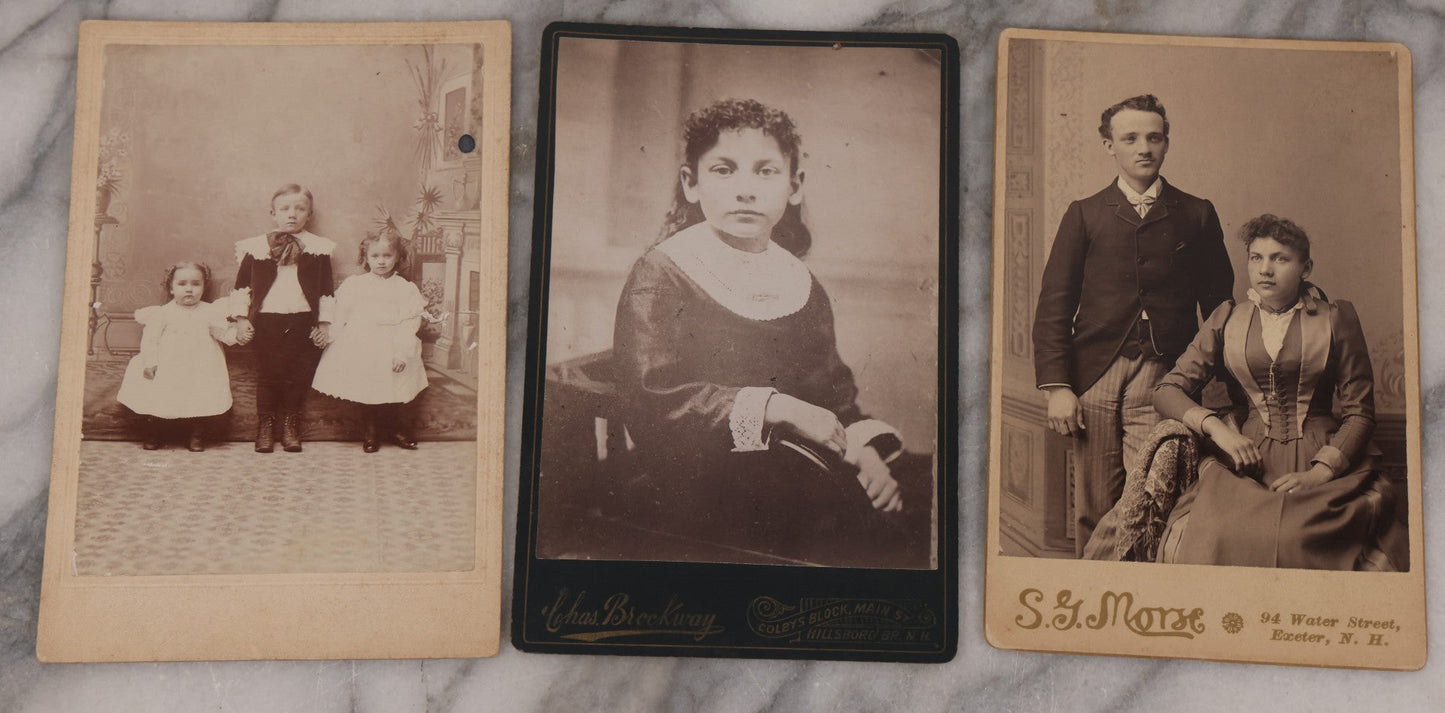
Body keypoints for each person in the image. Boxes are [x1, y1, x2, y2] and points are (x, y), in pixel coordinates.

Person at [610, 98, 929, 568]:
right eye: (724, 170)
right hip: (696, 483)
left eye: (766, 172)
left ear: (794, 186)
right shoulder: (664, 272)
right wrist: (776, 407)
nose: (746, 190)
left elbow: (834, 397)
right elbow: (655, 398)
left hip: (792, 470)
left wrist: (864, 455)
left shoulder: (799, 283)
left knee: (922, 494)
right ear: (690, 184)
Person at [1032, 94, 1233, 555]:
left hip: (1166, 376)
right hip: (1094, 374)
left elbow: (1220, 310)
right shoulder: (1084, 213)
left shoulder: (1196, 213)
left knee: (1147, 498)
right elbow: (1054, 306)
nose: (1144, 148)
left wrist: (1219, 384)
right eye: (1130, 138)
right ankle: (1093, 597)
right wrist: (1057, 386)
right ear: (1109, 146)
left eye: (1154, 137)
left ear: (1166, 143)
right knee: (1094, 501)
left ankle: (1138, 591)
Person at [1151, 214, 1402, 570]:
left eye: (1280, 258)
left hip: (1323, 455)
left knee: (1295, 538)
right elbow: (1167, 390)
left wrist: (1319, 474)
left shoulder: (1335, 319)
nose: (1265, 269)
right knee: (1219, 533)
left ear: (1305, 267)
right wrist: (1218, 430)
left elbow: (1360, 413)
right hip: (1246, 459)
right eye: (1257, 257)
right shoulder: (1227, 319)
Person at [231, 184, 335, 453]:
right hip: (267, 320)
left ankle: (290, 425)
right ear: (273, 213)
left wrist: (323, 324)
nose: (292, 214)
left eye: (300, 209)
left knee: (297, 376)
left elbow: (326, 290)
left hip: (303, 320)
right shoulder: (255, 248)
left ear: (309, 215)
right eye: (285, 208)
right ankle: (265, 426)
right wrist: (242, 319)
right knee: (268, 375)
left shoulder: (318, 249)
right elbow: (242, 287)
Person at [311, 232, 430, 452]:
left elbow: (409, 322)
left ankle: (396, 430)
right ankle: (371, 432)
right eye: (375, 256)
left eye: (387, 255)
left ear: (398, 258)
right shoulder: (355, 285)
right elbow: (340, 315)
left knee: (395, 388)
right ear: (365, 258)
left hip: (393, 342)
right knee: (366, 389)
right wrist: (328, 336)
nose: (381, 261)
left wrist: (402, 352)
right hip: (362, 342)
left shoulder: (404, 288)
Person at [116, 262, 237, 451]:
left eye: (196, 284)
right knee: (160, 396)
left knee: (199, 397)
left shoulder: (209, 312)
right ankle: (154, 432)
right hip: (169, 365)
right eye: (182, 284)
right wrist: (150, 362)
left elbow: (221, 333)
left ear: (204, 287)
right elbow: (150, 340)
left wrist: (236, 335)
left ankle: (196, 435)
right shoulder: (163, 313)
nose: (189, 289)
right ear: (171, 288)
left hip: (201, 364)